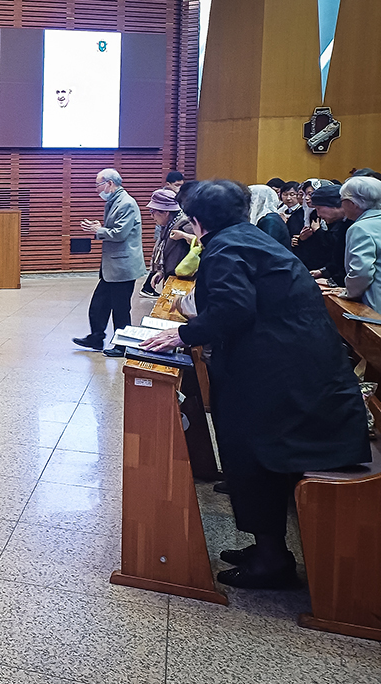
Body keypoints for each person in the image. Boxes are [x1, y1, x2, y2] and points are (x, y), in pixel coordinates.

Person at [143, 180, 369, 589]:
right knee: (253, 455)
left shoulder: (225, 248)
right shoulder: (247, 237)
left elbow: (233, 309)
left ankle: (271, 560)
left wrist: (183, 335)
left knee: (252, 456)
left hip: (276, 375)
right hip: (297, 369)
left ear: (197, 221)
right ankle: (267, 548)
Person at [73, 169, 146, 357]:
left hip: (123, 265)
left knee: (120, 308)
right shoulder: (114, 201)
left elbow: (120, 234)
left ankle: (123, 345)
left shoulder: (126, 203)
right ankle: (96, 338)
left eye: (98, 185)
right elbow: (113, 229)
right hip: (112, 265)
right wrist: (99, 227)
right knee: (99, 304)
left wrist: (99, 230)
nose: (97, 189)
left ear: (110, 183)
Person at [341, 175, 381, 312]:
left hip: (374, 303)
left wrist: (349, 293)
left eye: (342, 201)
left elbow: (361, 272)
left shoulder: (360, 228)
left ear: (353, 204)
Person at [144, 188, 191, 293]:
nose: (151, 216)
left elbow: (203, 244)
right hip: (171, 276)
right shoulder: (167, 225)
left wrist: (184, 236)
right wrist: (161, 271)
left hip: (183, 280)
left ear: (165, 212)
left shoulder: (185, 224)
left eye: (153, 212)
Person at [307, 184, 350, 286]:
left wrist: (333, 281)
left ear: (335, 205)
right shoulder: (340, 221)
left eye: (318, 208)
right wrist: (324, 271)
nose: (318, 214)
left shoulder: (355, 224)